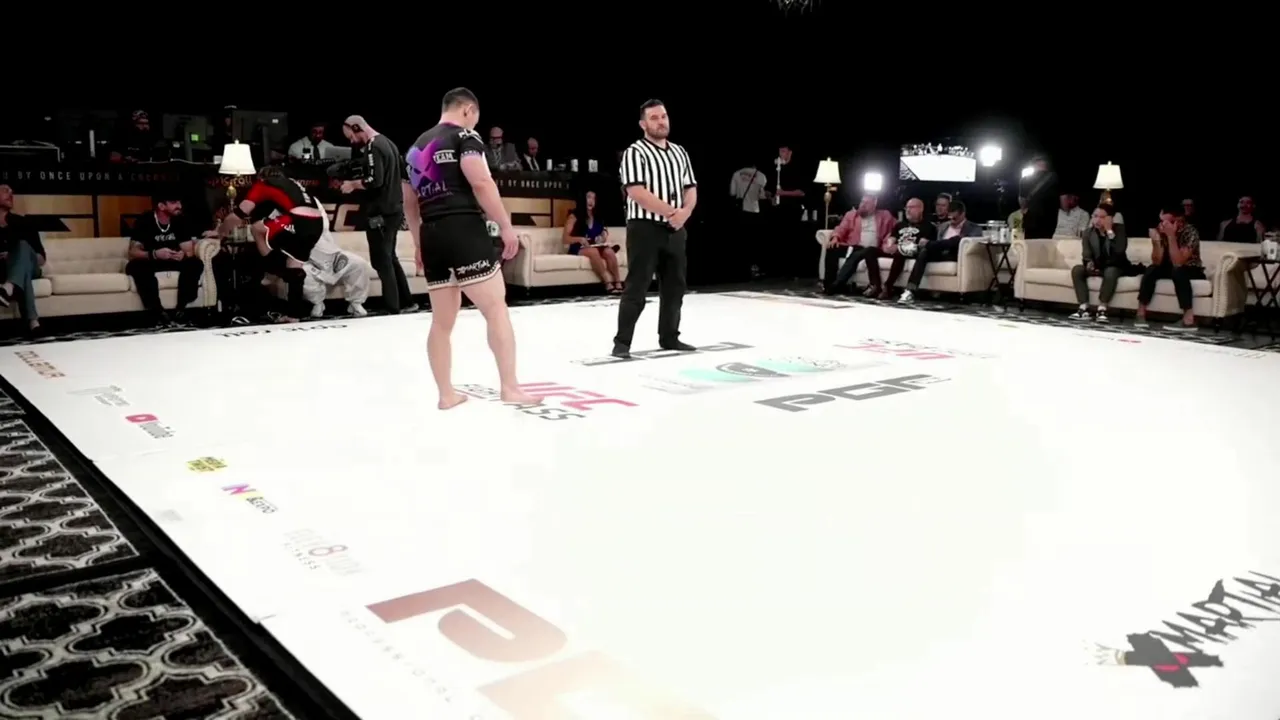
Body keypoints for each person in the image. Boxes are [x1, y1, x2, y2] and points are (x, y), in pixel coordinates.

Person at [402, 87, 540, 410]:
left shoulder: (414, 148)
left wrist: (418, 243)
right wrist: (505, 226)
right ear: (467, 110)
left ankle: (446, 394)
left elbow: (409, 205)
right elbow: (480, 181)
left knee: (441, 322)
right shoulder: (465, 136)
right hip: (463, 229)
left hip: (432, 236)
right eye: (475, 118)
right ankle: (510, 387)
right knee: (495, 309)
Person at [614, 99, 698, 359]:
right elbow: (636, 191)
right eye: (654, 117)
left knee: (675, 286)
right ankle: (622, 343)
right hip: (644, 228)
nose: (661, 121)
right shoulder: (635, 152)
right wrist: (672, 212)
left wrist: (685, 213)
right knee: (637, 286)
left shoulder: (680, 152)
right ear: (643, 124)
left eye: (663, 116)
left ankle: (670, 336)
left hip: (675, 229)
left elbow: (690, 188)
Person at [223, 166, 327, 322]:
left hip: (298, 220)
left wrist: (220, 232)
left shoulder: (263, 184)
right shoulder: (293, 183)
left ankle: (272, 268)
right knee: (294, 265)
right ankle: (294, 315)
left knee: (257, 228)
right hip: (317, 225)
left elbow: (239, 214)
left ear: (261, 178)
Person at [341, 115, 416, 314]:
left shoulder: (374, 146)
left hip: (382, 212)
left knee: (382, 259)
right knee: (389, 257)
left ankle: (392, 307)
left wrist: (353, 184)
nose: (352, 142)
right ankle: (406, 302)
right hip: (393, 209)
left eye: (351, 137)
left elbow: (375, 180)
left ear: (356, 128)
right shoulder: (388, 143)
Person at [125, 193, 205, 325]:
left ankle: (181, 309)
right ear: (161, 206)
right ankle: (158, 311)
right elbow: (133, 252)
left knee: (195, 263)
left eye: (179, 202)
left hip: (173, 260)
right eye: (174, 203)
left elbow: (188, 250)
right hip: (152, 260)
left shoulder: (180, 220)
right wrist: (154, 254)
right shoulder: (145, 220)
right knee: (135, 266)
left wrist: (183, 255)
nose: (179, 206)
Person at [898, 200, 984, 305]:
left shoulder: (973, 228)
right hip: (940, 253)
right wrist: (930, 244)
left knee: (953, 241)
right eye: (949, 217)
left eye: (955, 218)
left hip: (955, 255)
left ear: (963, 214)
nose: (951, 221)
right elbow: (938, 243)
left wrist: (930, 244)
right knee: (924, 252)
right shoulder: (943, 226)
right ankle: (910, 290)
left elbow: (958, 242)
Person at [300, 197, 372, 318]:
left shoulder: (313, 201)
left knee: (359, 264)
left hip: (331, 253)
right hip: (307, 260)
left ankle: (356, 303)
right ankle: (317, 304)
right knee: (302, 275)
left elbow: (324, 224)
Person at [1137, 206, 1203, 331]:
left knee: (1178, 271)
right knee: (1152, 269)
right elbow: (1157, 261)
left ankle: (1188, 320)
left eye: (1168, 222)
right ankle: (1140, 314)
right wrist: (1157, 241)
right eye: (1162, 221)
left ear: (1179, 220)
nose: (1163, 225)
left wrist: (1171, 236)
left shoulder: (1190, 232)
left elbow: (1178, 262)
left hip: (1190, 268)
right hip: (1169, 267)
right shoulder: (1161, 230)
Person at [821, 194, 895, 296]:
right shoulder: (851, 215)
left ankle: (837, 284)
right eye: (862, 202)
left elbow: (895, 229)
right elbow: (841, 228)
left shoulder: (884, 216)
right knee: (832, 248)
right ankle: (828, 284)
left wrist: (889, 241)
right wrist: (835, 237)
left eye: (866, 203)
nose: (862, 205)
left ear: (874, 205)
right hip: (854, 246)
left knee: (857, 253)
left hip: (871, 249)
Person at [1068, 204, 1129, 322]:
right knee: (1077, 270)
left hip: (1116, 265)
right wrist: (1089, 263)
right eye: (1095, 216)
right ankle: (1084, 307)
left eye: (1102, 217)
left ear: (1110, 218)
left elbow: (1119, 251)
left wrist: (1109, 231)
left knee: (1110, 271)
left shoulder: (1119, 230)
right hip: (1098, 266)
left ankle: (1102, 308)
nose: (1097, 220)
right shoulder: (1088, 233)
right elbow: (1086, 254)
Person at [0, 184, 46, 336]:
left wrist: (17, 255)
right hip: (4, 269)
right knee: (22, 270)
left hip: (32, 267)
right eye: (5, 191)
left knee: (23, 246)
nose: (11, 194)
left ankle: (8, 287)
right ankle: (33, 321)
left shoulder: (24, 223)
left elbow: (41, 259)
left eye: (12, 192)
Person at [564, 190, 623, 293]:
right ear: (583, 200)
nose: (591, 201)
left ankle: (618, 282)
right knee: (593, 251)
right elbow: (565, 238)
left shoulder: (598, 216)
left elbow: (604, 231)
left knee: (609, 251)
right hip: (578, 247)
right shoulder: (574, 216)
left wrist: (603, 235)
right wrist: (580, 239)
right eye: (589, 197)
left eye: (594, 198)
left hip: (595, 245)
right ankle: (607, 282)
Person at [880, 197, 937, 298]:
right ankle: (875, 285)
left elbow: (922, 244)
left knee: (900, 253)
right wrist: (889, 245)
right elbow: (892, 238)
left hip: (914, 251)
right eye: (906, 207)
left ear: (920, 209)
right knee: (870, 251)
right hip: (897, 250)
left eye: (911, 207)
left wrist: (899, 247)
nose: (908, 210)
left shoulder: (928, 226)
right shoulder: (900, 225)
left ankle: (888, 287)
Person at [1019, 155, 1059, 239]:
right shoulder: (1055, 178)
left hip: (1030, 219)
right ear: (1047, 165)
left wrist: (1024, 210)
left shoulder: (1025, 179)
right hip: (1049, 220)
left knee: (1030, 244)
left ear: (1034, 165)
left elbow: (1022, 199)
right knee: (1046, 244)